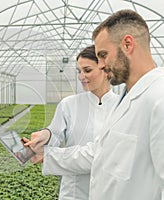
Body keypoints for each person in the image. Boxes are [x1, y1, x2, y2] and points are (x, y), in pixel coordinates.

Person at [24, 9, 164, 200]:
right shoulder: (127, 98)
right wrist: (46, 153)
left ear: (128, 44)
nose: (102, 65)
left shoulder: (159, 98)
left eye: (104, 55)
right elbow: (98, 153)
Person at [23, 45, 119, 200]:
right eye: (79, 71)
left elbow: (107, 154)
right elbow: (55, 135)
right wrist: (46, 135)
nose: (81, 77)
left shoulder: (121, 106)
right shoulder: (69, 104)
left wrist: (47, 156)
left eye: (87, 70)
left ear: (105, 70)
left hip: (110, 191)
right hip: (74, 192)